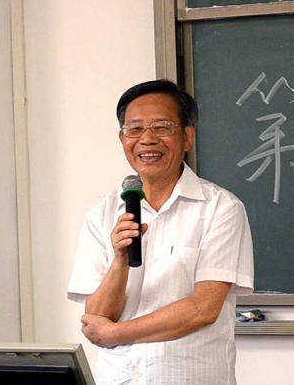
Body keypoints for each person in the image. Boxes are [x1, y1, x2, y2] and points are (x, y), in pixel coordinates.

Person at [67, 79, 254, 385]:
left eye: (161, 127)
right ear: (122, 138)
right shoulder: (101, 214)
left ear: (187, 136)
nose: (147, 139)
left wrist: (118, 333)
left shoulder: (221, 208)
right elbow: (96, 319)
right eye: (135, 129)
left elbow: (203, 309)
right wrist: (120, 261)